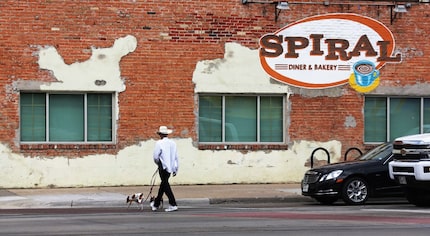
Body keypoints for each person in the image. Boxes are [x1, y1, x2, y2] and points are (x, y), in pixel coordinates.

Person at [150, 126, 179, 212]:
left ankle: (173, 204)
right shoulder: (173, 143)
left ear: (160, 135)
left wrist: (158, 163)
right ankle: (156, 204)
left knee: (165, 185)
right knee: (163, 184)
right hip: (170, 167)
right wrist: (175, 168)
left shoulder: (159, 143)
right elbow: (176, 157)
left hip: (163, 167)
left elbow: (156, 156)